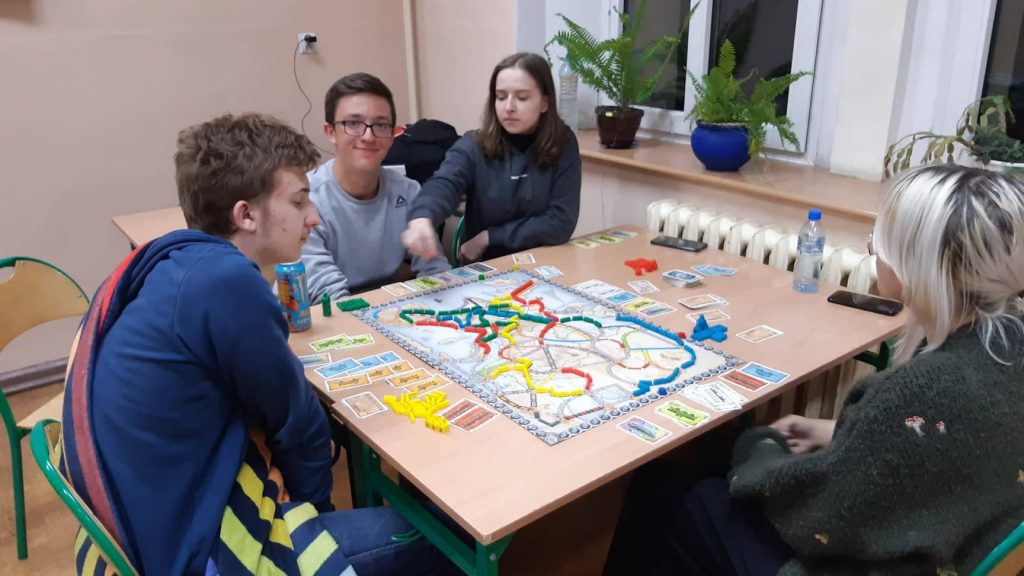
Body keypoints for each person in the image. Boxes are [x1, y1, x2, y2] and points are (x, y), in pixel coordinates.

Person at [61, 113, 454, 576]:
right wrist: (315, 520)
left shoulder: (178, 259)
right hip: (187, 549)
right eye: (299, 201)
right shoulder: (226, 281)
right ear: (245, 215)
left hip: (136, 525)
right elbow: (297, 423)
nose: (313, 216)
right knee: (444, 538)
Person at [602, 165, 1024, 576]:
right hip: (956, 540)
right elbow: (943, 438)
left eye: (880, 242)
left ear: (915, 264)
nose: (871, 251)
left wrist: (758, 446)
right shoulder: (1009, 346)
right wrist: (840, 431)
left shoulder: (918, 390)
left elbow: (817, 517)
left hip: (868, 562)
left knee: (673, 492)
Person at [402, 52, 581, 264]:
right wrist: (422, 216)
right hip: (485, 266)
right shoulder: (473, 144)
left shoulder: (563, 142)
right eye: (501, 97)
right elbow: (444, 183)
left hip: (544, 260)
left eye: (522, 98)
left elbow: (561, 222)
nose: (509, 107)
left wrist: (490, 237)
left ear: (545, 103)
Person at [302, 73, 449, 301]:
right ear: (331, 132)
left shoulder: (408, 191)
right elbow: (327, 295)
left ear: (392, 135)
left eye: (380, 125)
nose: (369, 137)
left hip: (390, 308)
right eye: (353, 123)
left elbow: (434, 270)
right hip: (334, 313)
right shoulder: (305, 199)